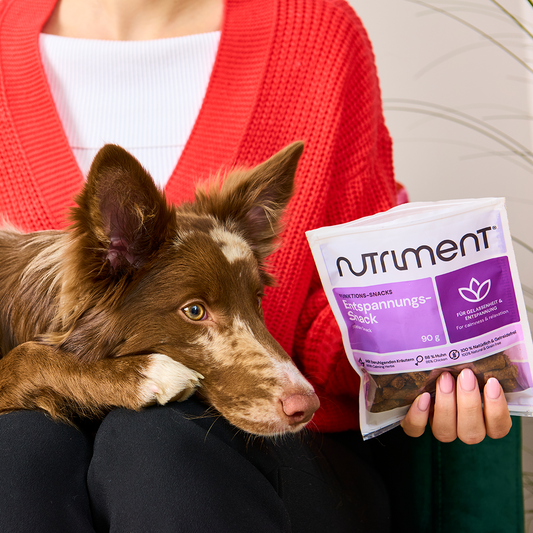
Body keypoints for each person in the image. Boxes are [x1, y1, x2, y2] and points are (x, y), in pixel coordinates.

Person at [0, 0, 514, 531]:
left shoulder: (315, 31)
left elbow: (358, 289)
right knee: (17, 448)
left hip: (280, 467)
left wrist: (425, 351)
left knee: (157, 444)